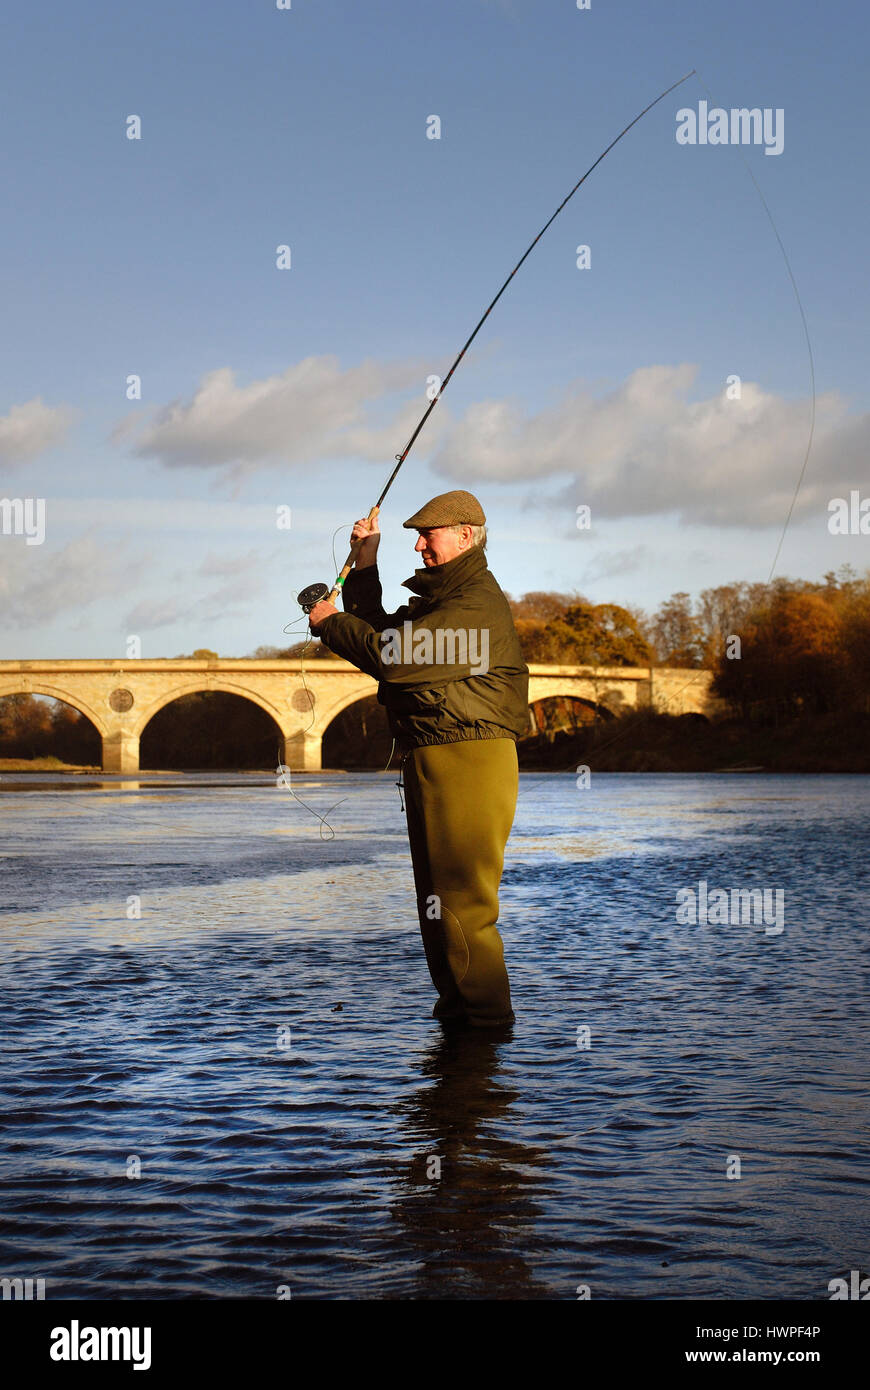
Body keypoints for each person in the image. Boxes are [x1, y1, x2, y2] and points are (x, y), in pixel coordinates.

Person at [307, 489, 529, 1029]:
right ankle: (460, 1030)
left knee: (463, 908)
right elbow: (383, 632)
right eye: (415, 537)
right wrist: (366, 560)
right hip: (435, 755)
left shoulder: (475, 604)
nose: (420, 547)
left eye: (428, 535)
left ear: (466, 535)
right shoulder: (443, 602)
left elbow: (395, 660)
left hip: (470, 758)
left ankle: (483, 1033)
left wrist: (330, 622)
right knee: (437, 909)